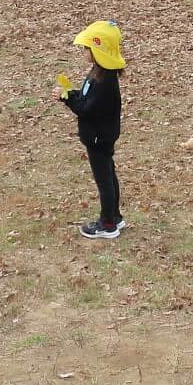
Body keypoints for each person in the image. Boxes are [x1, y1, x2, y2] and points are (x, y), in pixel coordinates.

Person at [57, 20, 125, 240]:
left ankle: (107, 224)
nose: (84, 52)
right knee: (108, 174)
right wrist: (73, 93)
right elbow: (87, 99)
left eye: (88, 48)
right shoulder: (99, 73)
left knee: (104, 179)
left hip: (98, 138)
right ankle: (115, 216)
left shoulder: (104, 82)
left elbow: (86, 109)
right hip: (101, 135)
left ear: (99, 51)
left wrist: (67, 100)